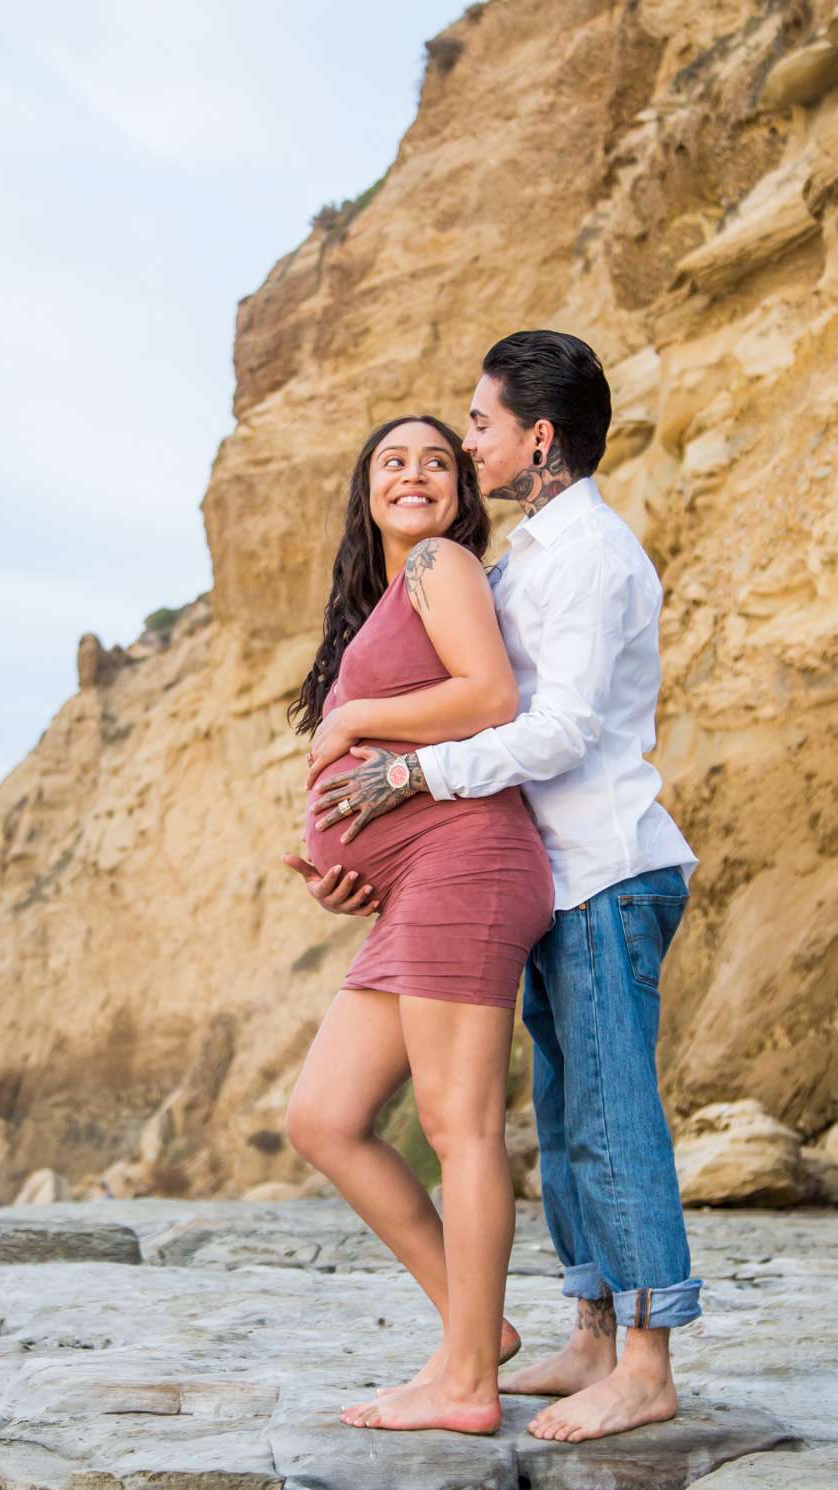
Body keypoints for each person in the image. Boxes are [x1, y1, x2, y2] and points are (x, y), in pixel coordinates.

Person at [308, 330, 699, 1444]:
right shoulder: (530, 553)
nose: (466, 444)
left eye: (477, 426)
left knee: (614, 1120)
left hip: (609, 866)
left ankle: (648, 1359)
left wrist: (408, 771)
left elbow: (560, 725)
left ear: (539, 437)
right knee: (573, 1118)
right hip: (559, 872)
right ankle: (586, 1334)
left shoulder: (586, 554)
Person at [277, 414, 553, 1436]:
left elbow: (490, 697)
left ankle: (468, 1383)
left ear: (460, 491)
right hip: (415, 889)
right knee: (324, 1117)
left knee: (459, 1128)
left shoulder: (444, 565)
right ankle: (479, 1332)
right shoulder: (387, 603)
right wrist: (346, 871)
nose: (417, 473)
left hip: (469, 868)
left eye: (439, 459)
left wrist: (348, 725)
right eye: (393, 460)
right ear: (365, 490)